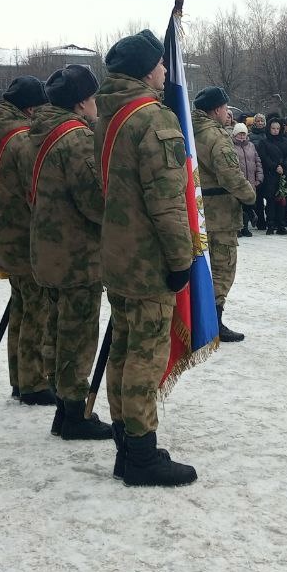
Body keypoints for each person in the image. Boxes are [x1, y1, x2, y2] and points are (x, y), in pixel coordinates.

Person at [95, 29, 196, 486]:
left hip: (118, 254)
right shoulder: (152, 119)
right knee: (145, 356)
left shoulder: (109, 115)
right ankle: (141, 454)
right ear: (144, 70)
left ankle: (125, 445)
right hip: (148, 259)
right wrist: (181, 261)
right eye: (159, 64)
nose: (165, 71)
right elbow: (168, 203)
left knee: (123, 349)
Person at [30, 64, 111, 440]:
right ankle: (75, 412)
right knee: (77, 335)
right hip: (77, 252)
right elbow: (93, 201)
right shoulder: (76, 138)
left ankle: (64, 410)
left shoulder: (40, 131)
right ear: (81, 103)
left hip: (48, 248)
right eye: (94, 98)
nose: (97, 105)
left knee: (56, 331)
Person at [0, 77, 54, 404]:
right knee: (36, 311)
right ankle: (34, 382)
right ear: (30, 107)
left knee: (21, 308)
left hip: (10, 233)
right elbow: (35, 193)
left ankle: (19, 377)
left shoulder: (5, 135)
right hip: (27, 235)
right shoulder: (22, 140)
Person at [192, 87, 256, 344]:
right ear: (217, 109)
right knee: (222, 267)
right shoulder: (216, 136)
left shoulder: (188, 129)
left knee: (201, 266)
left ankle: (198, 319)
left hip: (196, 209)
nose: (228, 114)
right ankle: (213, 323)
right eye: (225, 108)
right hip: (219, 213)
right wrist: (249, 196)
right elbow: (230, 174)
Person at [256, 118, 287, 235]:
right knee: (271, 200)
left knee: (282, 200)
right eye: (273, 128)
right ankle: (271, 224)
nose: (275, 131)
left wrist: (284, 165)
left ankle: (281, 224)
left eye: (278, 128)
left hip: (283, 174)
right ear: (269, 128)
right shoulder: (264, 142)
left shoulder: (286, 141)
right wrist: (275, 166)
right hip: (271, 174)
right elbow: (264, 157)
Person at [232, 122, 262, 237]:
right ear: (235, 134)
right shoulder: (231, 146)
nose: (242, 136)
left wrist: (259, 177)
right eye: (239, 134)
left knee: (248, 204)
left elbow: (257, 161)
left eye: (243, 134)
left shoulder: (251, 146)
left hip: (250, 180)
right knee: (237, 206)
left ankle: (245, 227)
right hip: (238, 181)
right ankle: (238, 228)